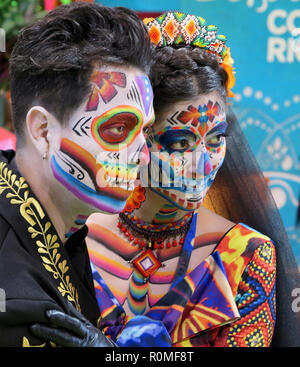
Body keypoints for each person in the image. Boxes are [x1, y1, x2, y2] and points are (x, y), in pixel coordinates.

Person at [31, 11, 300, 347]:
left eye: (216, 139)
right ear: (137, 137)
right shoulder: (68, 240)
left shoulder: (246, 255)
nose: (202, 164)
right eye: (180, 144)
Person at [0, 2, 155, 347]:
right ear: (43, 132)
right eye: (117, 129)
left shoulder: (58, 221)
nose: (143, 157)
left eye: (145, 131)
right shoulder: (22, 304)